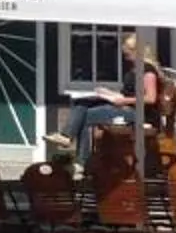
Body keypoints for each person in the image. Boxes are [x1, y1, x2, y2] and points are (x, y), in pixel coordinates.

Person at [49, 34, 164, 165]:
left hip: (138, 114)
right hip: (126, 106)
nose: (126, 57)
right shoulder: (135, 69)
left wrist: (123, 101)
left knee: (86, 117)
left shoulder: (148, 71)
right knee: (82, 102)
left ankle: (81, 162)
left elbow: (150, 98)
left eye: (127, 54)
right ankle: (67, 137)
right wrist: (109, 93)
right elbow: (128, 93)